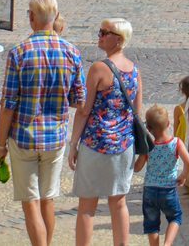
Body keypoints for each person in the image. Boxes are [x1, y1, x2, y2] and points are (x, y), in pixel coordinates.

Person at [0, 0, 85, 246]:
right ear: (55, 16)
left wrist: (0, 145)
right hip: (55, 136)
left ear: (32, 17)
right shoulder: (72, 52)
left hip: (24, 136)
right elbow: (79, 100)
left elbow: (8, 104)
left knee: (30, 201)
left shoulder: (19, 53)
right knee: (48, 199)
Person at [70, 18, 143, 246]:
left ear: (118, 40)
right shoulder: (134, 71)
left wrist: (73, 144)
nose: (99, 35)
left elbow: (84, 111)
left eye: (104, 32)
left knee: (87, 205)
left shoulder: (99, 69)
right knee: (118, 202)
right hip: (123, 145)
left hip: (96, 143)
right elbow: (136, 113)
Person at [136, 105, 189, 246]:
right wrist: (183, 175)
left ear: (148, 128)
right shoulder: (176, 143)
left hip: (150, 190)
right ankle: (167, 244)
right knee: (175, 217)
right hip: (168, 189)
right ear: (168, 124)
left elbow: (137, 168)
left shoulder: (148, 146)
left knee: (151, 224)